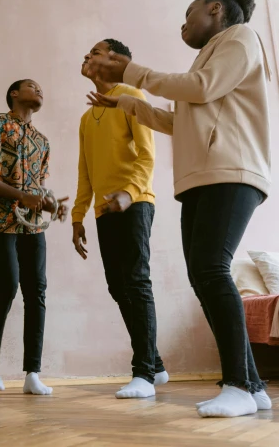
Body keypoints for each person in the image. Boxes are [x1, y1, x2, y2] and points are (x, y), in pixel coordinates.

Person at [85, 0, 273, 418]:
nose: (182, 26)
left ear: (215, 9)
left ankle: (239, 385)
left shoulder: (240, 38)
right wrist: (127, 103)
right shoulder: (207, 63)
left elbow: (201, 89)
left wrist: (133, 74)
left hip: (231, 171)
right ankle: (254, 385)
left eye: (187, 15)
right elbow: (180, 121)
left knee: (211, 270)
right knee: (204, 275)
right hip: (202, 178)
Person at [73, 39, 169, 399]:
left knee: (136, 281)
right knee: (118, 286)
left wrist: (129, 194)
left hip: (135, 203)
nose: (87, 56)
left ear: (115, 59)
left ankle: (143, 371)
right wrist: (78, 215)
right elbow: (85, 170)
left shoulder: (131, 96)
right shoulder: (86, 116)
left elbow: (147, 155)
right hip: (103, 209)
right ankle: (155, 366)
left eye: (95, 51)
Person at [0, 79, 69, 396]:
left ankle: (32, 374)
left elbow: (36, 189)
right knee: (8, 283)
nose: (39, 90)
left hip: (32, 225)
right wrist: (19, 195)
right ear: (14, 94)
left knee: (36, 292)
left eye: (42, 87)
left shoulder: (42, 141)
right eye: (31, 86)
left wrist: (51, 205)